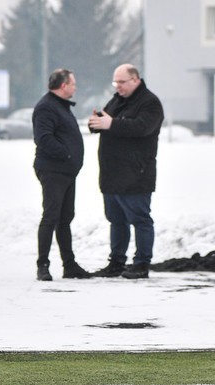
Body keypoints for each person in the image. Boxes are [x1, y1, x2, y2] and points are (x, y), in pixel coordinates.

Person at [89, 64, 163, 279]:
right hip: (112, 173)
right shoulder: (117, 100)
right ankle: (117, 263)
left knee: (140, 219)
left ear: (135, 80)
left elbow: (142, 127)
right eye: (115, 82)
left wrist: (111, 123)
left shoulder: (150, 103)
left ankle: (141, 263)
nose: (118, 86)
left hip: (135, 173)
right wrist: (96, 123)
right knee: (116, 220)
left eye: (121, 82)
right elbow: (108, 122)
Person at [32, 68, 91, 281]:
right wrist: (66, 155)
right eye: (73, 84)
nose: (75, 87)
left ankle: (69, 265)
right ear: (64, 86)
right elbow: (44, 138)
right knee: (51, 217)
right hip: (53, 170)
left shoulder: (61, 106)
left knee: (65, 218)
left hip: (66, 171)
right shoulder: (47, 107)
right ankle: (43, 265)